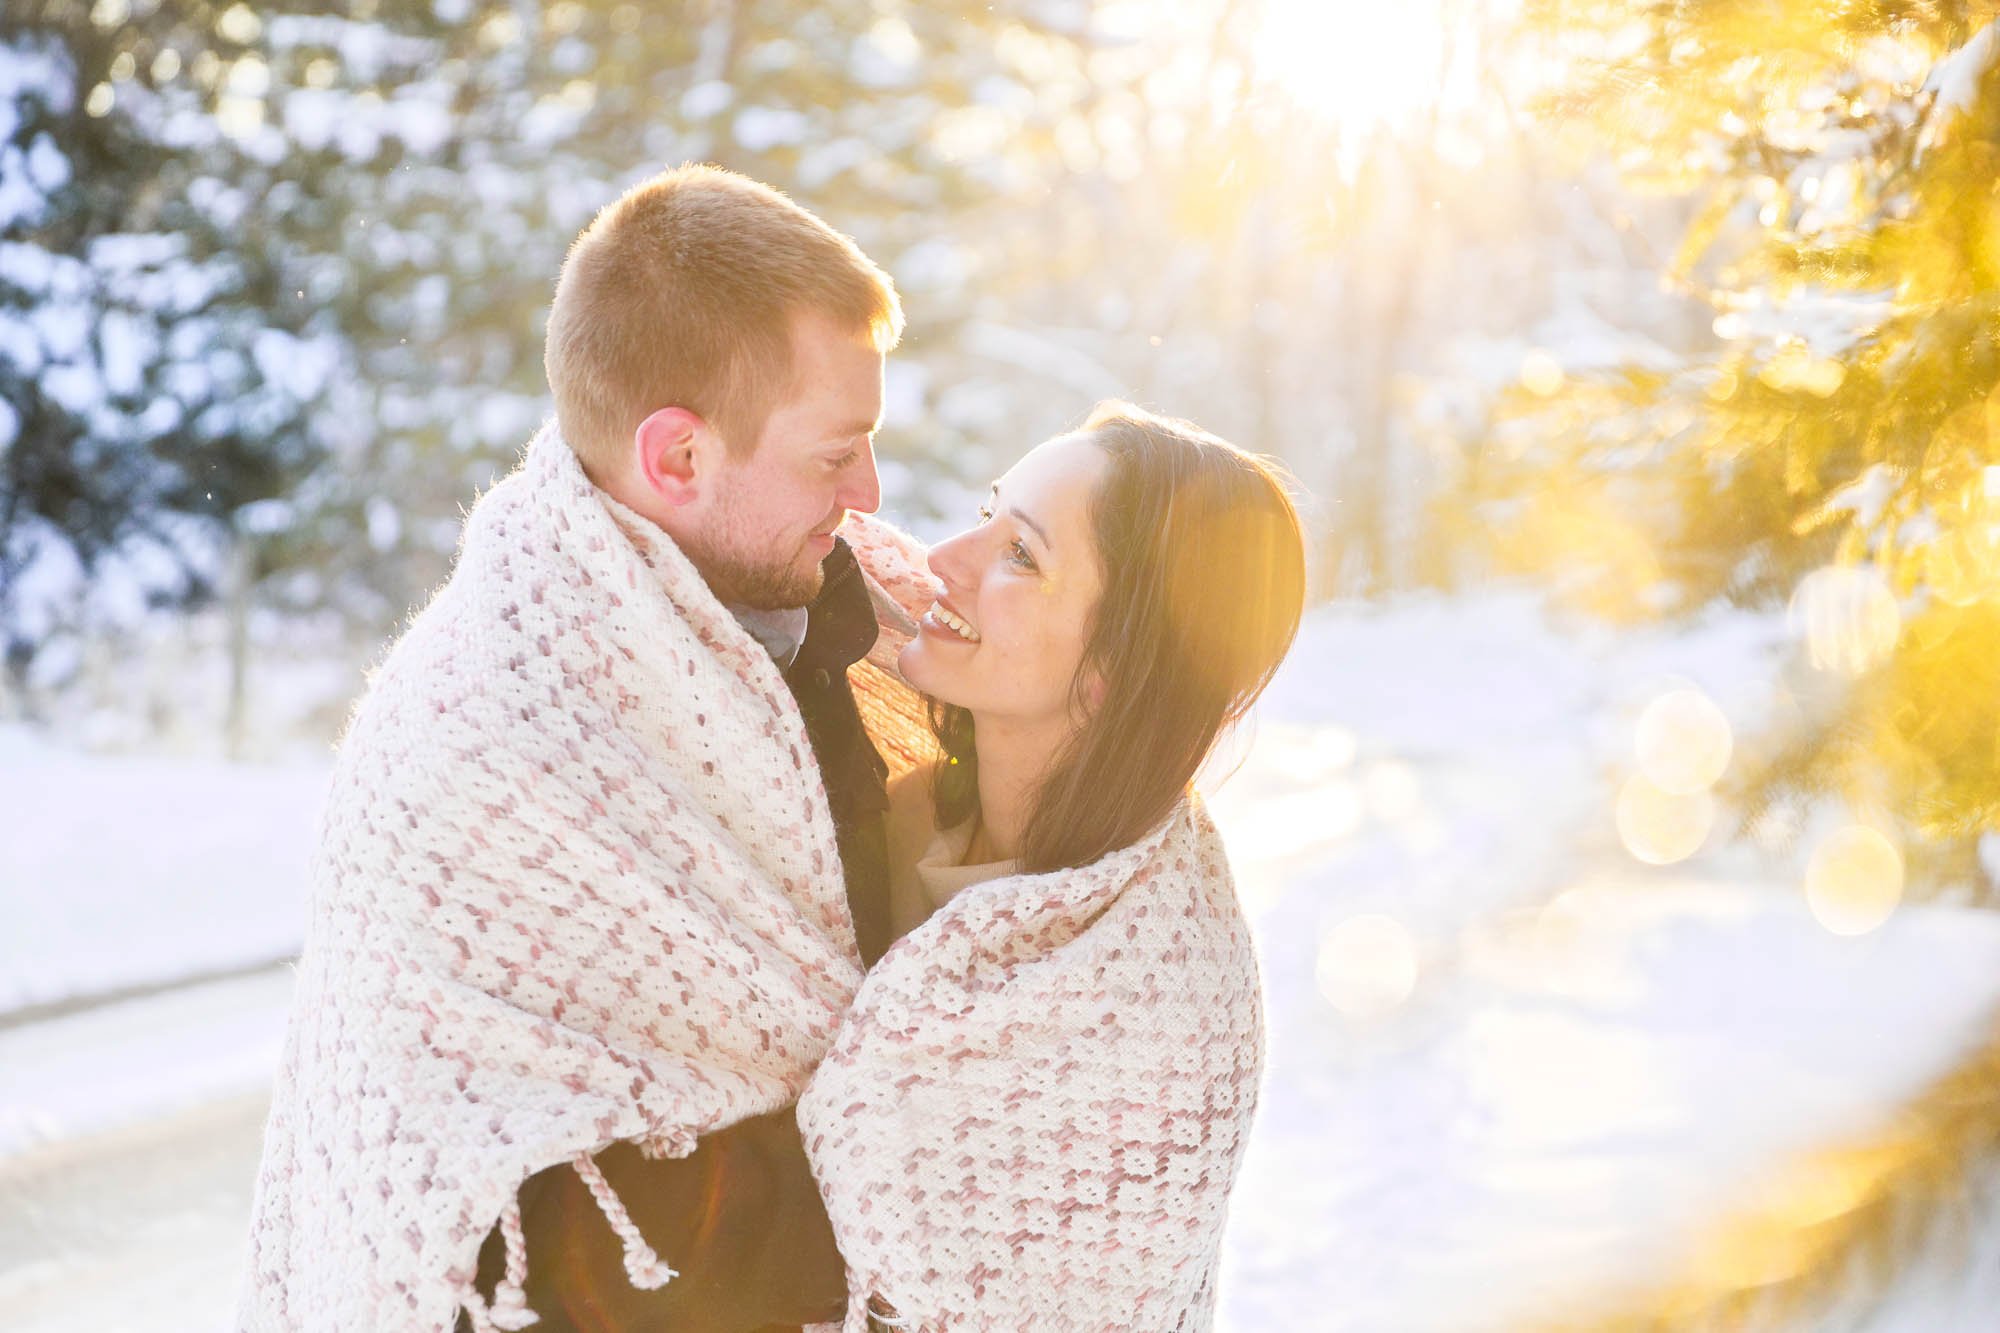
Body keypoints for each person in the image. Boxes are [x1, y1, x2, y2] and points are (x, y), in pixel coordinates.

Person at [238, 165, 912, 1333]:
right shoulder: (484, 731)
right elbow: (534, 1230)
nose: (868, 491)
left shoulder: (868, 631)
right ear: (677, 459)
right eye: (831, 453)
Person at [800, 402, 1307, 1331]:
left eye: (1021, 554)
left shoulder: (1148, 1002)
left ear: (1110, 670)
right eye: (988, 508)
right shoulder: (871, 800)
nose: (944, 557)